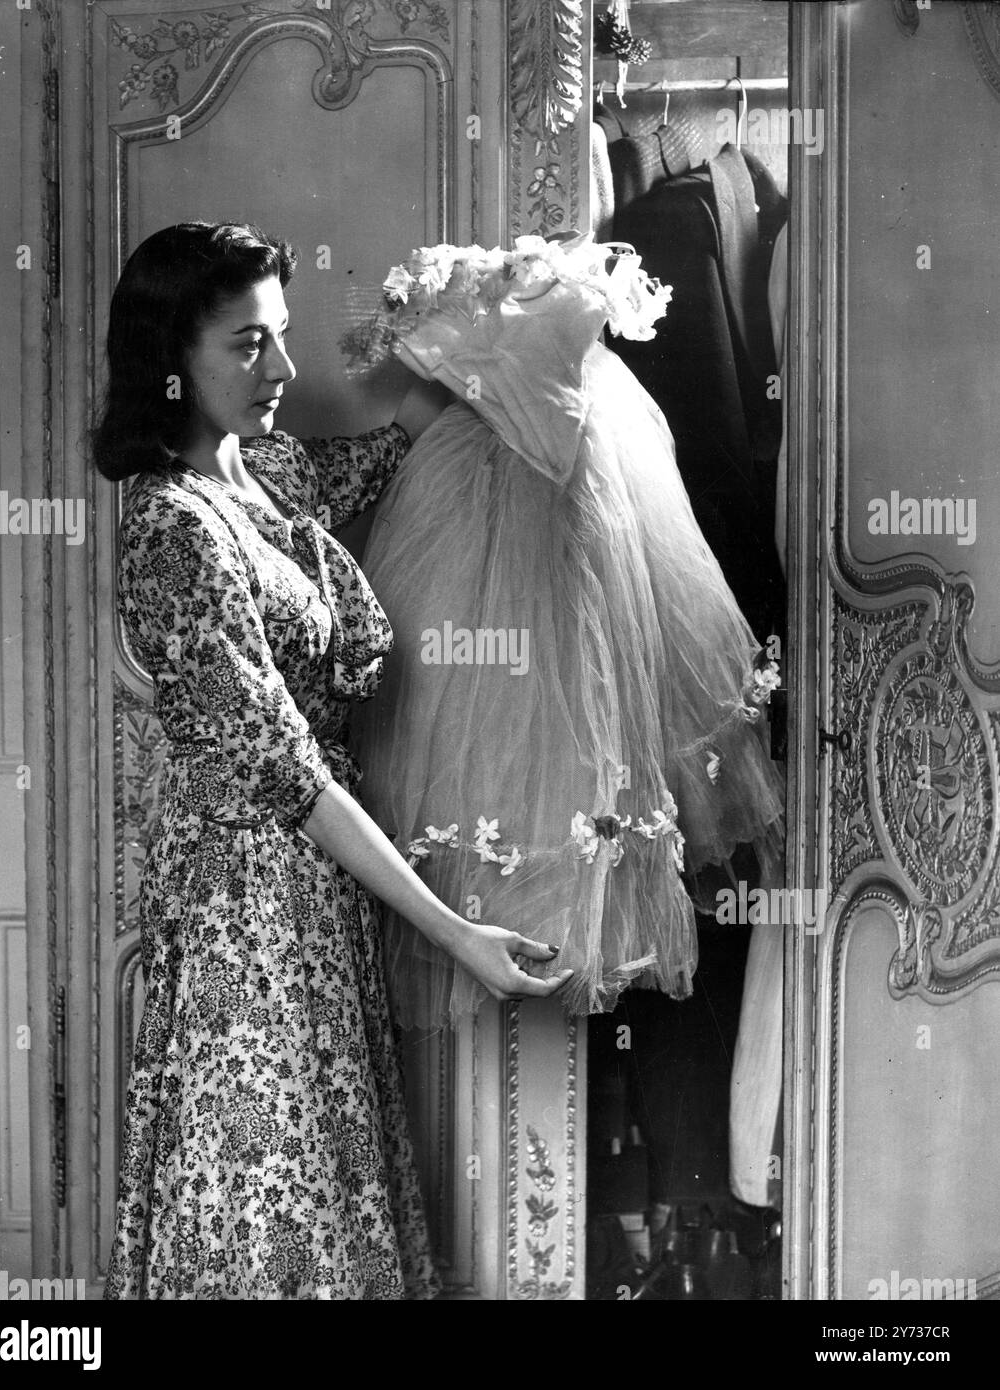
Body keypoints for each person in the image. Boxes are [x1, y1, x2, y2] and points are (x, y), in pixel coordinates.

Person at [93, 221, 573, 1301]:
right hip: (244, 917)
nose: (282, 370)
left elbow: (413, 433)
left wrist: (478, 309)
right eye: (245, 345)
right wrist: (456, 934)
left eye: (282, 337)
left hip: (317, 904)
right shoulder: (172, 532)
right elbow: (292, 778)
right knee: (265, 1201)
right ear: (170, 363)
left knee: (328, 1196)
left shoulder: (267, 470)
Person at [348, 233, 786, 1030]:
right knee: (511, 720)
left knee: (576, 706)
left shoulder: (575, 314)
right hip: (488, 522)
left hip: (585, 516)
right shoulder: (479, 335)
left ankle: (563, 916)